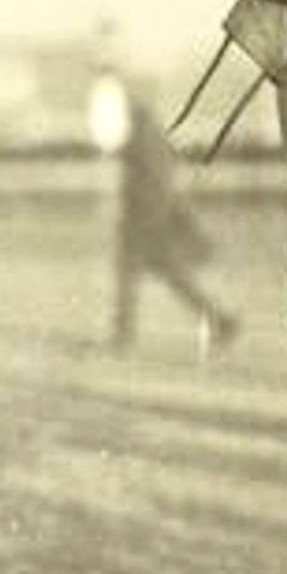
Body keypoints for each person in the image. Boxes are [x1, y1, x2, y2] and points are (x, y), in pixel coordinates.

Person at [88, 39, 243, 358]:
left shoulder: (132, 118)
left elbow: (143, 169)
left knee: (129, 270)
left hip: (144, 209)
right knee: (168, 271)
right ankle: (219, 320)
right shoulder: (140, 118)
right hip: (152, 206)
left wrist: (139, 207)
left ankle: (122, 337)